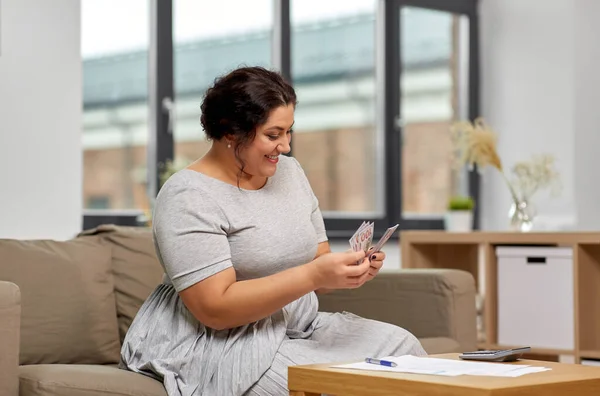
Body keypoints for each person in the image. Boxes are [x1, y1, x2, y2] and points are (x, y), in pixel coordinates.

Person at [119, 66, 426, 396]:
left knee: (402, 348)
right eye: (273, 135)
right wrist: (313, 276)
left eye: (288, 132)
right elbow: (215, 310)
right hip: (215, 339)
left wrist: (347, 269)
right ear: (230, 132)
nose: (286, 147)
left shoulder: (289, 173)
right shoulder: (189, 196)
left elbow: (318, 257)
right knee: (327, 386)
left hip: (294, 325)